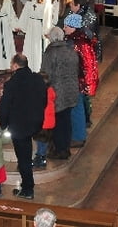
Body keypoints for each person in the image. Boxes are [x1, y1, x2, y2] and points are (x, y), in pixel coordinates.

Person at [0, 54, 47, 200]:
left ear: (15, 65)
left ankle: (27, 189)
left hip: (19, 126)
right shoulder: (37, 79)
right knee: (26, 154)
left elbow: (4, 107)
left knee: (23, 158)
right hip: (36, 121)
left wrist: (4, 124)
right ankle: (27, 182)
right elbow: (44, 99)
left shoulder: (11, 84)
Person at [39, 26, 78, 159]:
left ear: (52, 38)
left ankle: (59, 150)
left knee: (58, 122)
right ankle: (66, 147)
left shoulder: (51, 53)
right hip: (71, 91)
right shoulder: (71, 50)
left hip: (57, 94)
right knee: (66, 121)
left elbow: (45, 74)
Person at [64, 11, 99, 144]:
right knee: (78, 108)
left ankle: (78, 137)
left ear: (73, 27)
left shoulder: (78, 43)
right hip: (79, 81)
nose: (64, 28)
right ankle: (78, 133)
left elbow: (87, 65)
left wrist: (86, 84)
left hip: (78, 81)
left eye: (66, 26)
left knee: (76, 109)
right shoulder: (81, 39)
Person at [15, 0, 54, 71]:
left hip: (39, 27)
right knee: (29, 47)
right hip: (31, 26)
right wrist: (20, 25)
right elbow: (25, 12)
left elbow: (47, 15)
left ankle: (37, 68)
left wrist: (46, 30)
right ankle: (28, 67)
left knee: (37, 48)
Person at [31, 71, 55, 170]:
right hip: (49, 122)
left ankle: (41, 157)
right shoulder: (50, 91)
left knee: (41, 140)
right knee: (43, 140)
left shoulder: (41, 94)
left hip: (43, 122)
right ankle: (40, 156)